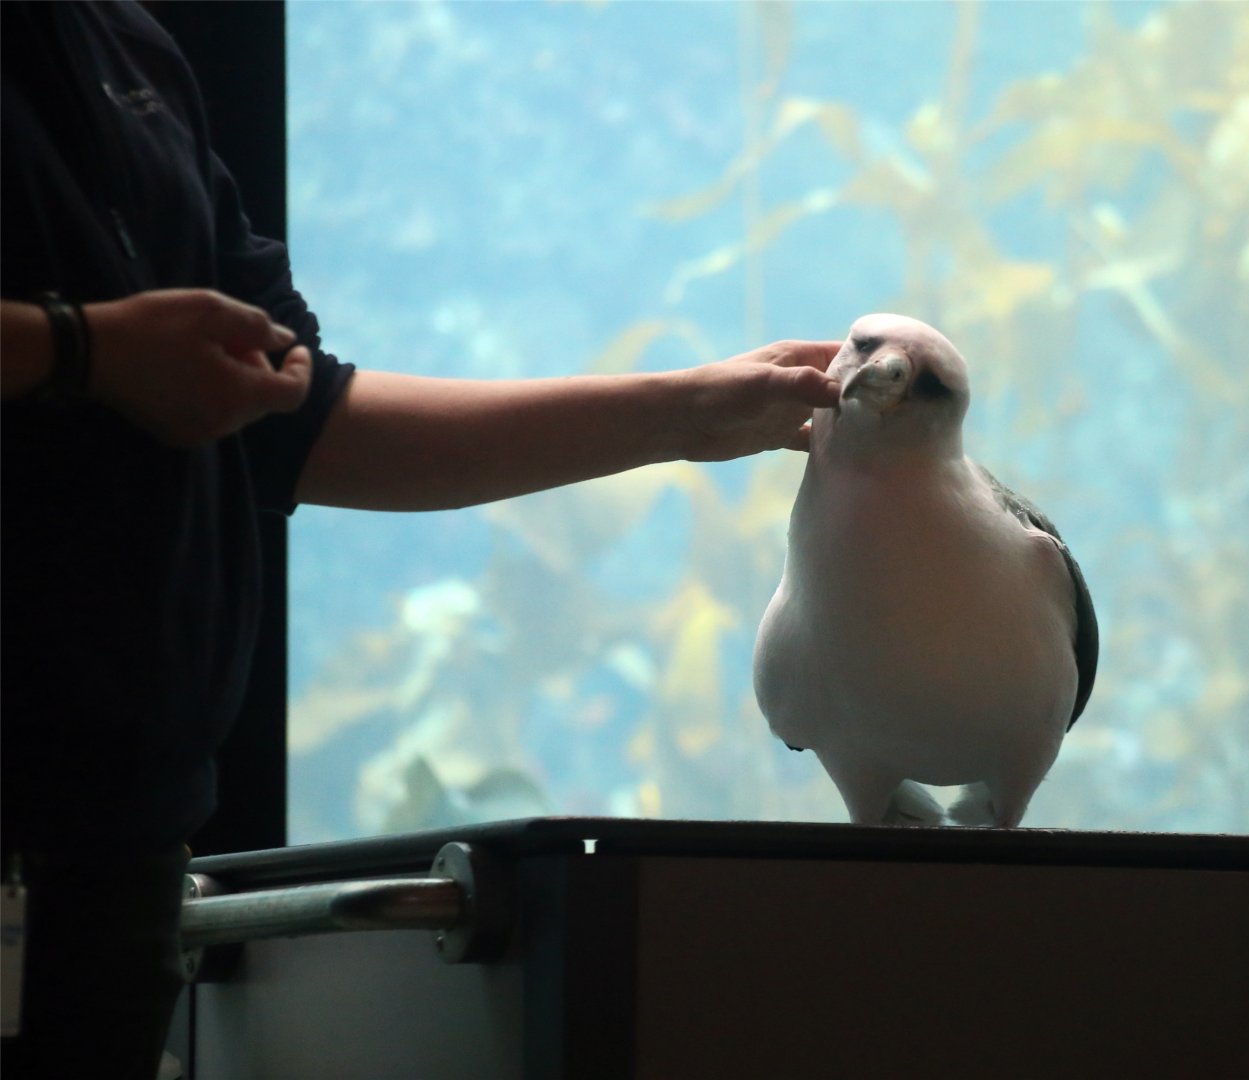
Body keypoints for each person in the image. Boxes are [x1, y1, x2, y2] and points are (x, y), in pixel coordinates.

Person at [0, 3, 840, 1076]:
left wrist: (687, 415)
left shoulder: (126, 46)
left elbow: (298, 420)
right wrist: (78, 352)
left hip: (117, 849)